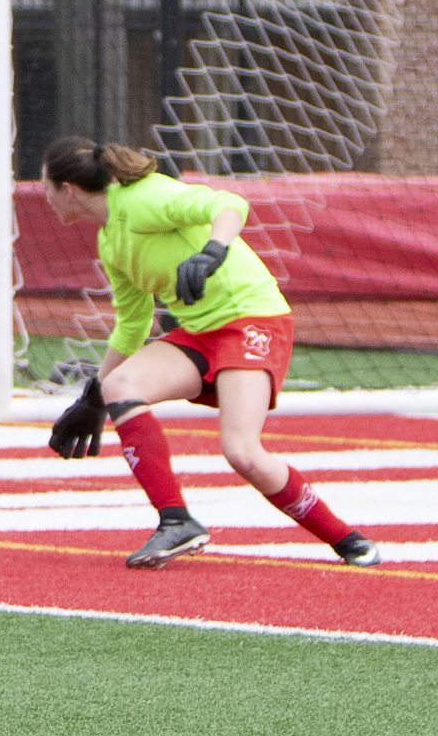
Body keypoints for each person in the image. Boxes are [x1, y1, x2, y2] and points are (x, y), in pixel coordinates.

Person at [41, 136, 380, 569]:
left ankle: (346, 539)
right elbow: (132, 325)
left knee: (241, 450)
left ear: (67, 189)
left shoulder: (142, 197)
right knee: (119, 384)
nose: (46, 198)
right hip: (201, 332)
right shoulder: (110, 242)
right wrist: (93, 396)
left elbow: (229, 204)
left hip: (251, 319)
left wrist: (212, 253)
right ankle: (176, 521)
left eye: (46, 187)